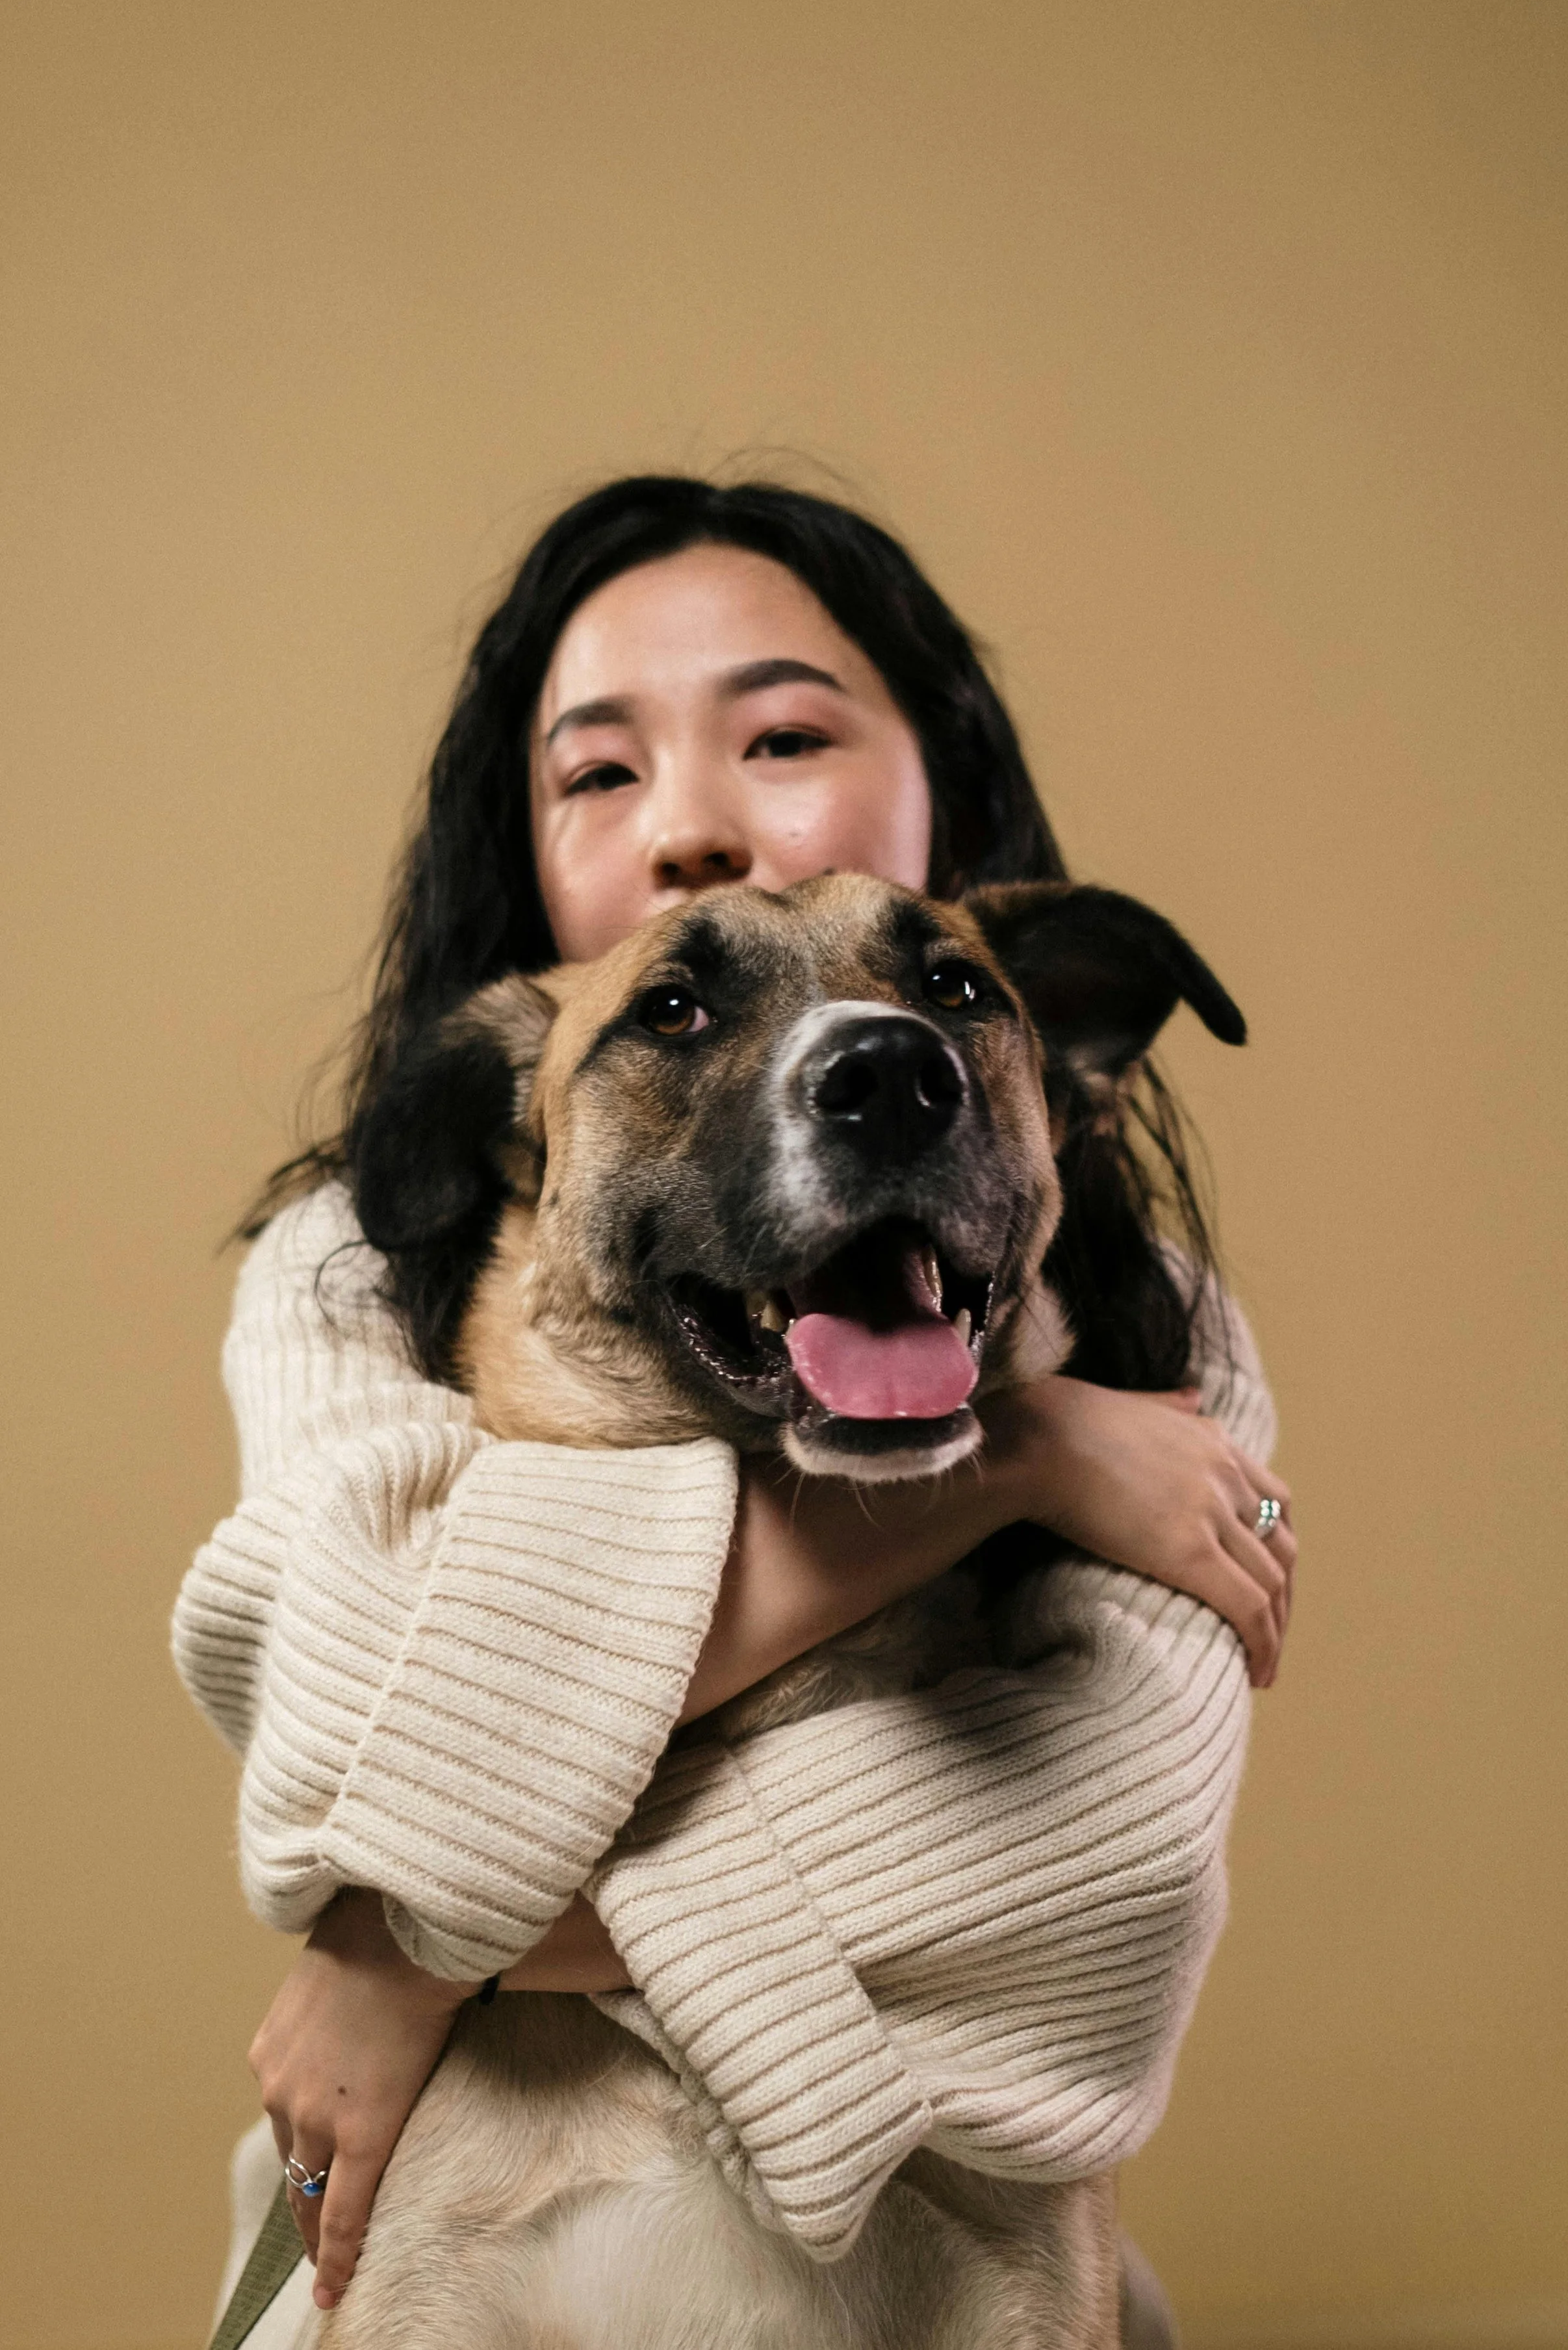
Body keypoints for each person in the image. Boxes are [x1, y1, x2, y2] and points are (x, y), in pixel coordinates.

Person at [174, 476, 1294, 2347]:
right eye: (602, 773)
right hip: (429, 2187)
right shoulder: (348, 1267)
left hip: (948, 2187)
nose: (694, 820)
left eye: (780, 734)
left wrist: (420, 1947)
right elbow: (353, 1733)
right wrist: (1019, 1455)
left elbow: (1104, 1892)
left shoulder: (1161, 1334)